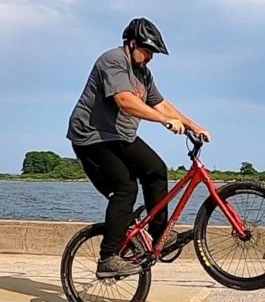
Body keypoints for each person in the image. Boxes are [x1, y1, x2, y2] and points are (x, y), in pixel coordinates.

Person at [66, 18, 211, 278]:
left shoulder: (143, 73)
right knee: (125, 187)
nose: (150, 57)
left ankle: (159, 237)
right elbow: (125, 101)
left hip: (119, 136)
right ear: (131, 44)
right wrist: (165, 121)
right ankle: (108, 257)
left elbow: (161, 104)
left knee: (156, 169)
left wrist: (192, 125)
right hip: (91, 137)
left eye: (153, 53)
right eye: (146, 51)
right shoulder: (112, 60)